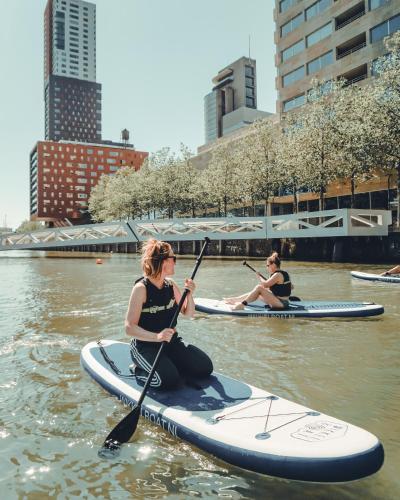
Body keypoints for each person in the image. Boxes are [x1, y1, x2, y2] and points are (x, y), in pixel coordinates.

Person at [125, 239, 213, 390]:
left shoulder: (171, 285)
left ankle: (170, 364)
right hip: (145, 346)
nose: (175, 262)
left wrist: (190, 294)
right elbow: (129, 327)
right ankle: (137, 369)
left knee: (205, 367)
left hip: (171, 344)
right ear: (163, 261)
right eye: (174, 258)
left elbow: (189, 313)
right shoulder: (141, 289)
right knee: (167, 381)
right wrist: (157, 336)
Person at [224, 252, 292, 311]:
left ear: (273, 265)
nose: (267, 267)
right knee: (255, 293)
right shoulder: (284, 273)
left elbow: (265, 285)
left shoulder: (277, 275)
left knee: (259, 288)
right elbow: (291, 287)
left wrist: (259, 276)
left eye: (268, 265)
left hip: (281, 303)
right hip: (280, 301)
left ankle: (241, 306)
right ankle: (235, 300)